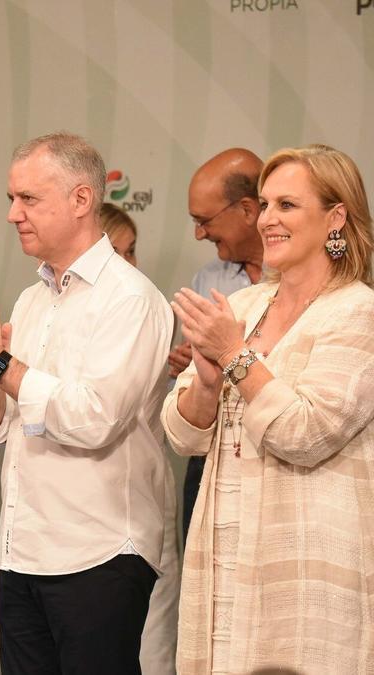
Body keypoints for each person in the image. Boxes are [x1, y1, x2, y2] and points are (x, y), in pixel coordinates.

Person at [0, 132, 173, 675]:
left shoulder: (131, 299)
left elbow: (94, 420)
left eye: (28, 199)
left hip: (100, 551)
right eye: (10, 199)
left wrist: (0, 363)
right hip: (24, 550)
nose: (13, 214)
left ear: (82, 200)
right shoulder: (33, 297)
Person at [164, 144, 374, 674]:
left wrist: (235, 356)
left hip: (307, 565)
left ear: (336, 217)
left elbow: (307, 433)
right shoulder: (242, 306)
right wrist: (207, 386)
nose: (268, 219)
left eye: (287, 205)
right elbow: (182, 435)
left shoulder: (358, 313)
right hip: (225, 552)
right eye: (264, 204)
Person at [98, 201, 180, 675]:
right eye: (117, 252)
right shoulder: (41, 309)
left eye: (133, 252)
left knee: (154, 640)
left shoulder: (149, 310)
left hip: (144, 499)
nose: (129, 265)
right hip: (85, 514)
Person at [172, 149, 265, 542]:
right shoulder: (207, 281)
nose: (199, 234)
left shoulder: (325, 284)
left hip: (277, 465)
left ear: (247, 209)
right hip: (209, 462)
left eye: (204, 221)